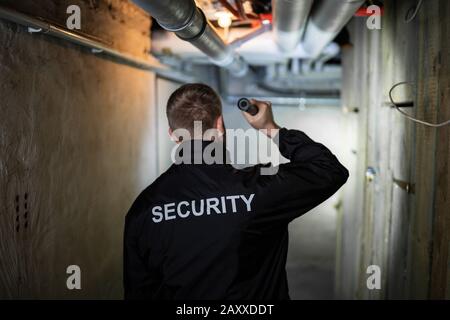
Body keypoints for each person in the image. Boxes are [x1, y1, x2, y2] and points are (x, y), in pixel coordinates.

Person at [123, 83, 349, 299]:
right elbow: (329, 170)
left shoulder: (143, 210)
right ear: (220, 125)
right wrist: (271, 128)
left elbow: (140, 292)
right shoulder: (259, 190)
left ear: (172, 134)